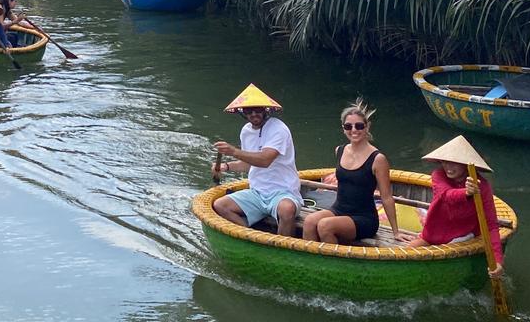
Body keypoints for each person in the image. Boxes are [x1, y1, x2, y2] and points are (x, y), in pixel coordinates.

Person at [301, 98, 400, 244]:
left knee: (325, 226)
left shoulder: (378, 159)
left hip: (363, 218)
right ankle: (312, 262)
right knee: (309, 221)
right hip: (339, 209)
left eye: (359, 126)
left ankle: (333, 265)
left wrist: (396, 232)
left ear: (367, 127)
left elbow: (386, 197)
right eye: (348, 126)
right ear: (343, 128)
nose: (354, 130)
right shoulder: (339, 150)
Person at [407, 135, 504, 277]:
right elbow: (446, 195)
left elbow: (491, 226)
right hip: (432, 234)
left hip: (460, 238)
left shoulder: (482, 186)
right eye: (445, 162)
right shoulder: (438, 175)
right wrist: (467, 192)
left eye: (454, 163)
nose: (448, 167)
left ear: (466, 165)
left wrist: (498, 261)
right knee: (407, 253)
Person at [211, 85, 301, 236]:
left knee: (287, 210)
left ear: (265, 109)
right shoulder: (246, 131)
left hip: (283, 191)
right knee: (220, 205)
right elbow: (248, 163)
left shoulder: (278, 129)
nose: (253, 114)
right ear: (243, 113)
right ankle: (252, 237)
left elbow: (265, 160)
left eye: (257, 109)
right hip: (257, 192)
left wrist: (233, 151)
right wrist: (225, 166)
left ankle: (281, 247)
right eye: (248, 111)